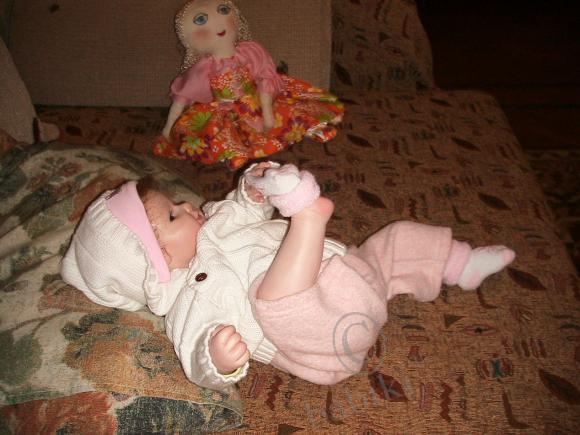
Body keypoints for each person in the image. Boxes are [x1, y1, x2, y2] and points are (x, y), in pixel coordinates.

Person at [60, 162, 516, 392]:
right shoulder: (189, 300)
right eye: (174, 215)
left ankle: (462, 265)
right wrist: (216, 359)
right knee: (270, 298)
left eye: (177, 203)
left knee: (395, 238)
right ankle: (309, 220)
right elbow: (196, 358)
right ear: (157, 259)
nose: (187, 206)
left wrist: (254, 187)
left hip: (349, 280)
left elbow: (242, 208)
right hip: (320, 337)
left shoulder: (216, 221)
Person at [152, 0, 344, 170]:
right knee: (220, 133)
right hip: (224, 111)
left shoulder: (250, 52)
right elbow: (182, 97)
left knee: (288, 113)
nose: (219, 23)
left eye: (223, 10)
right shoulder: (203, 68)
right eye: (201, 20)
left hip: (256, 102)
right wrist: (168, 129)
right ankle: (235, 152)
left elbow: (265, 79)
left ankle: (312, 125)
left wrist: (267, 112)